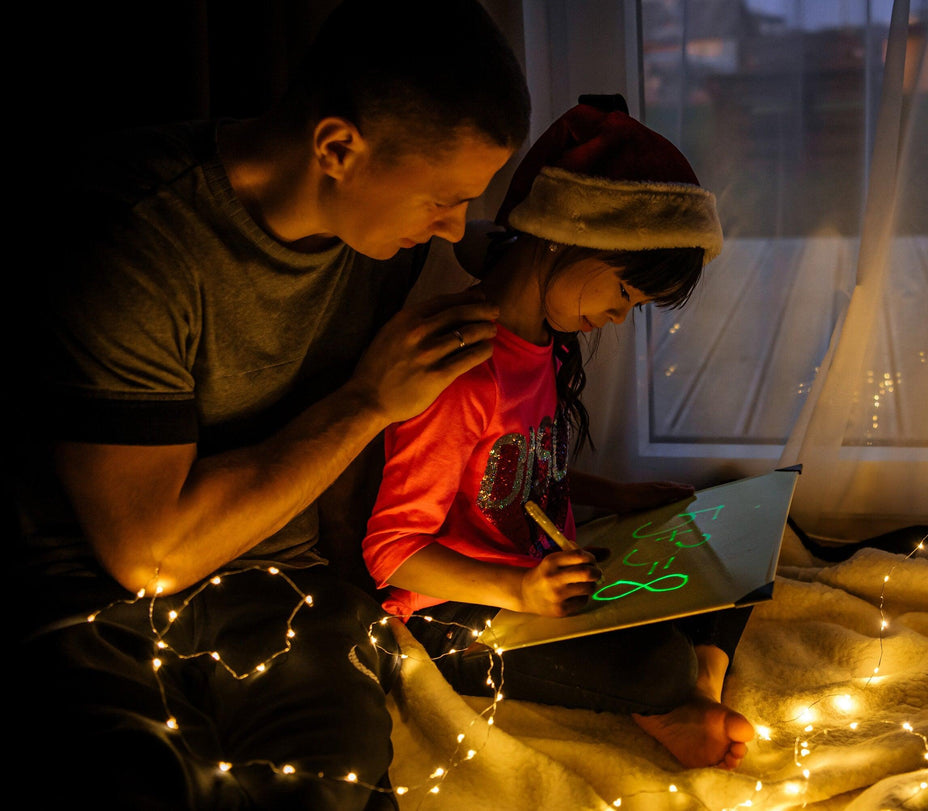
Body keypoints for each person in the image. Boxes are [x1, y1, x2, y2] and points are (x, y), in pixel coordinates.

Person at [13, 1, 529, 808]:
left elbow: (523, 276)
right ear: (336, 148)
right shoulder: (134, 238)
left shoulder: (384, 238)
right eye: (442, 199)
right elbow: (150, 557)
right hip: (95, 598)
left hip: (283, 592)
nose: (453, 227)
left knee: (333, 786)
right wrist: (368, 402)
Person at [361, 95, 757, 771]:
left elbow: (506, 474)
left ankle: (700, 683)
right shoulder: (462, 365)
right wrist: (519, 592)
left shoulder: (543, 338)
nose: (619, 316)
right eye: (626, 294)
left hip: (544, 572)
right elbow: (392, 553)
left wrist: (615, 494)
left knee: (731, 527)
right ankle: (678, 691)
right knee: (656, 663)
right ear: (566, 234)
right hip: (458, 609)